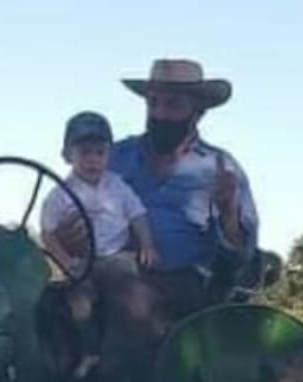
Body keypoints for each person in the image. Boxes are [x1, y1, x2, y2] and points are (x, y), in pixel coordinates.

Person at [39, 110, 157, 382]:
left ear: (108, 155)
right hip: (83, 263)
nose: (92, 160)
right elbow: (49, 235)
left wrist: (147, 245)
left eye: (99, 153)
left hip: (117, 258)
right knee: (69, 299)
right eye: (84, 153)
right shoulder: (60, 193)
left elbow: (138, 215)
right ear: (68, 156)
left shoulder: (117, 187)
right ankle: (84, 356)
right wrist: (66, 263)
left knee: (128, 298)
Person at [108, 58, 259, 318]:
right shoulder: (113, 158)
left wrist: (228, 215)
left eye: (173, 105)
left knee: (136, 299)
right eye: (153, 103)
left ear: (198, 111)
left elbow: (241, 257)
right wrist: (68, 232)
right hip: (112, 276)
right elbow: (73, 210)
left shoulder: (221, 168)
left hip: (189, 291)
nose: (159, 114)